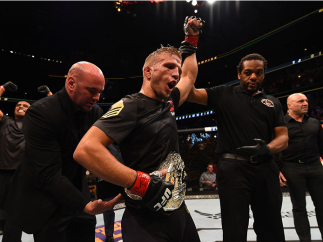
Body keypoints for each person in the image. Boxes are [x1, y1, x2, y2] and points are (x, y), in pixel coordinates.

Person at [74, 17, 204, 242]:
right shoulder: (130, 105)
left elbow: (190, 76)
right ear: (148, 72)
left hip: (178, 209)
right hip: (145, 217)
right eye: (169, 66)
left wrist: (191, 42)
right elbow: (85, 149)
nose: (176, 74)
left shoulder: (169, 101)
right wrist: (138, 181)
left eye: (178, 69)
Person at [3, 62, 122, 242]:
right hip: (45, 200)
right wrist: (85, 205)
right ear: (71, 83)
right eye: (92, 90)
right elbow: (48, 174)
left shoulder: (94, 111)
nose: (97, 97)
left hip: (77, 192)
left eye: (100, 92)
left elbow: (110, 147)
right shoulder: (40, 113)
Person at [187, 53, 289, 241]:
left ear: (264, 74)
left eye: (258, 73)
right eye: (248, 72)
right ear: (239, 73)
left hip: (266, 168)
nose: (253, 77)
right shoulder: (223, 93)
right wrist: (190, 50)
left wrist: (266, 148)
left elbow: (283, 137)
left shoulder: (272, 102)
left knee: (272, 228)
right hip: (233, 170)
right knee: (234, 229)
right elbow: (190, 91)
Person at [279, 93, 323, 242]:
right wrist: (277, 169)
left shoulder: (315, 123)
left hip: (315, 166)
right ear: (289, 105)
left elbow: (321, 146)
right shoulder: (281, 124)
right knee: (299, 207)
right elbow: (275, 149)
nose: (305, 103)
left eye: (306, 101)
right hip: (292, 168)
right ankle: (305, 240)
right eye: (301, 101)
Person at [0, 81, 30, 235]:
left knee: (17, 216)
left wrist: (49, 96)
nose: (21, 106)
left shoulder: (35, 126)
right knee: (3, 215)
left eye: (25, 106)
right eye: (18, 105)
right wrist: (2, 89)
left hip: (24, 176)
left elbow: (59, 116)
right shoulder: (4, 121)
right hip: (3, 175)